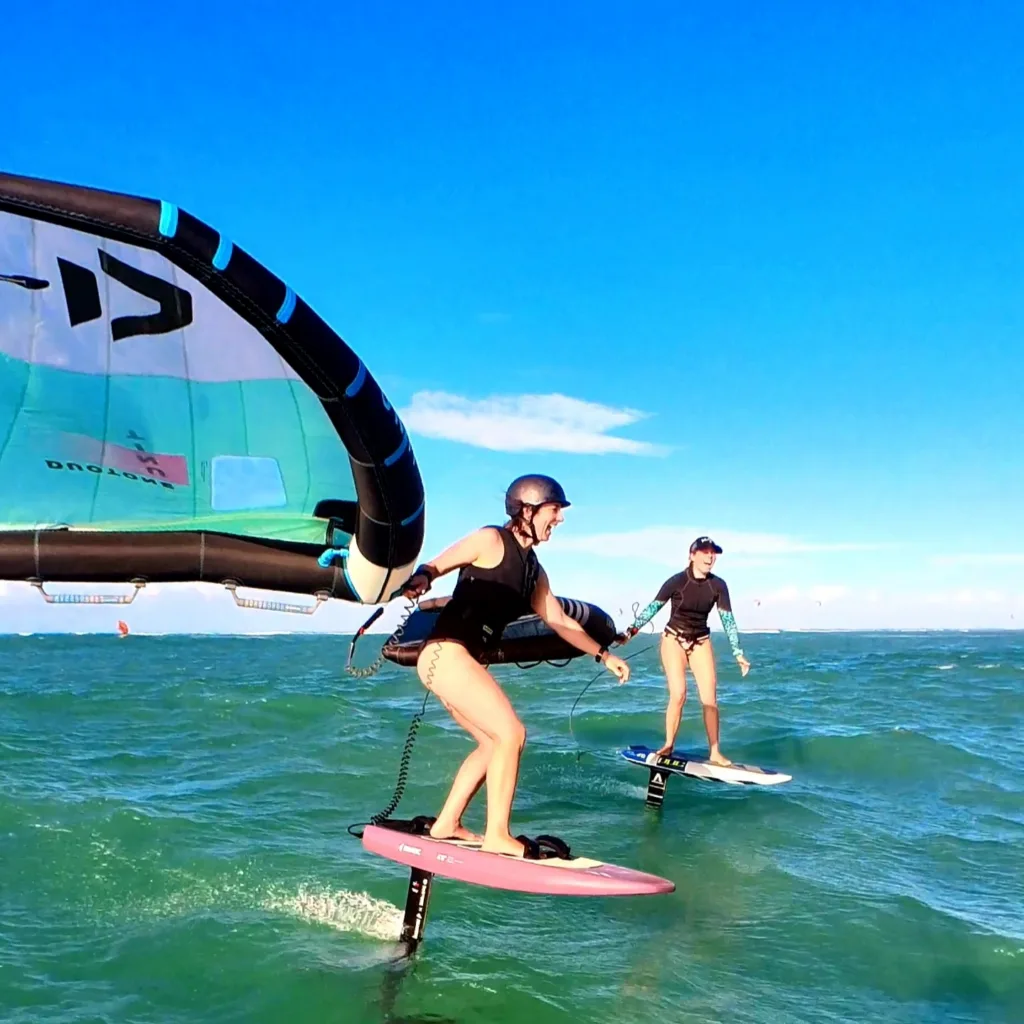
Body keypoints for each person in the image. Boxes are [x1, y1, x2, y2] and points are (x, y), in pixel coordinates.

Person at [402, 474, 630, 858]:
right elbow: (436, 565)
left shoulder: (533, 571)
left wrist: (603, 655)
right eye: (554, 510)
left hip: (461, 661)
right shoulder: (491, 540)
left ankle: (446, 824)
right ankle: (497, 835)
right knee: (512, 734)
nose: (559, 519)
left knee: (493, 743)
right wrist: (422, 578)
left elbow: (558, 620)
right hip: (446, 653)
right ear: (528, 509)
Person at [621, 536, 750, 765]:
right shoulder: (677, 581)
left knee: (710, 700)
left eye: (714, 553)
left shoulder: (718, 585)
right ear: (692, 555)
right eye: (705, 552)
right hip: (674, 640)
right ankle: (669, 744)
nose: (710, 557)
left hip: (700, 642)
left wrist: (738, 653)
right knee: (679, 694)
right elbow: (653, 607)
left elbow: (728, 619)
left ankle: (715, 752)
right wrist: (630, 632)